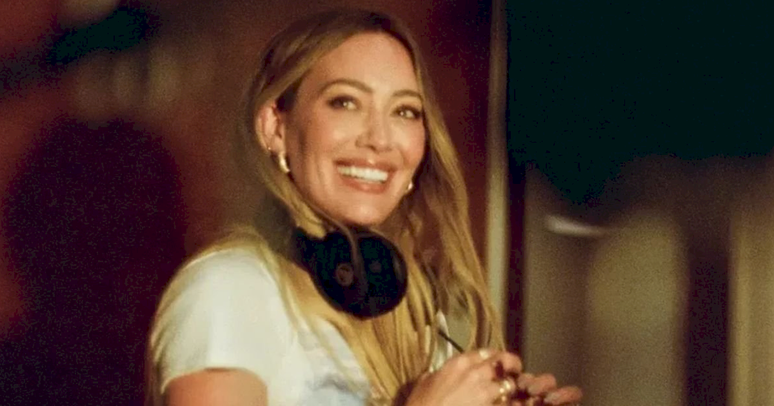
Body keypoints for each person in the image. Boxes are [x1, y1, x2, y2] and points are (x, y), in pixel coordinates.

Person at [146, 8, 582, 406]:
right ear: (276, 128)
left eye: (405, 111)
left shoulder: (424, 317)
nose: (379, 138)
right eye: (345, 102)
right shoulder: (230, 290)